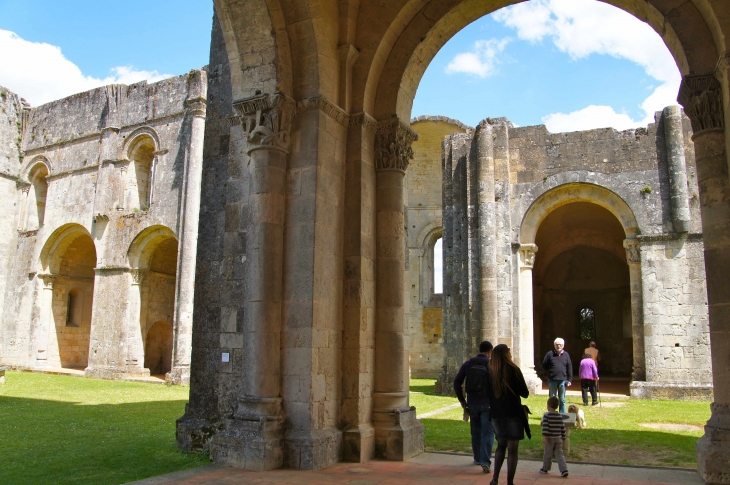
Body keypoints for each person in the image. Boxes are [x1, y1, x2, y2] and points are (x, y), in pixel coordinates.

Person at [488, 344, 529, 485]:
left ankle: (495, 478)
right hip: (513, 412)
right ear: (506, 354)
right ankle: (510, 482)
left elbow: (486, 393)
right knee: (512, 449)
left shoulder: (490, 371)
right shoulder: (514, 370)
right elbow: (525, 393)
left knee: (500, 446)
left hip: (496, 413)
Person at [454, 340, 495, 473]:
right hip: (487, 403)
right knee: (488, 431)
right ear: (489, 351)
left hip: (472, 402)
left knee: (476, 431)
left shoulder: (469, 363)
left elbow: (457, 382)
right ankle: (485, 461)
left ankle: (478, 458)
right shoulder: (491, 364)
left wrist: (461, 400)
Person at [539, 396, 569, 477]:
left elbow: (545, 427)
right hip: (558, 438)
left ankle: (545, 468)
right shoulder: (559, 416)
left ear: (548, 405)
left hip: (549, 438)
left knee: (548, 454)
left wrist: (544, 437)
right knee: (559, 454)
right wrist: (563, 437)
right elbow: (562, 427)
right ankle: (564, 470)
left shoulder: (546, 416)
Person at [542, 338, 572, 413]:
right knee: (552, 398)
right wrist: (550, 371)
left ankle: (562, 415)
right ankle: (551, 413)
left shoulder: (566, 355)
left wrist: (569, 380)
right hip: (552, 379)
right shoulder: (549, 354)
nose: (558, 346)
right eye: (557, 345)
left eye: (560, 345)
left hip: (563, 380)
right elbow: (544, 365)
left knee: (562, 399)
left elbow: (569, 367)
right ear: (554, 345)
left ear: (563, 346)